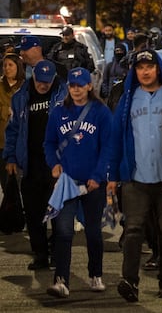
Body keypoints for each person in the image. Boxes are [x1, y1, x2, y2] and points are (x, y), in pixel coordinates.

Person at [108, 50, 162, 301]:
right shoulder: (127, 99)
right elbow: (116, 139)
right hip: (135, 177)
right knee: (132, 230)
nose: (145, 71)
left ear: (158, 69)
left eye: (149, 67)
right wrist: (112, 175)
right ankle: (130, 281)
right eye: (140, 67)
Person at [43, 67, 113, 298]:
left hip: (93, 182)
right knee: (63, 232)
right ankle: (61, 280)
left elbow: (108, 146)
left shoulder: (101, 112)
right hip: (67, 182)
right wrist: (54, 164)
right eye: (72, 86)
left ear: (89, 86)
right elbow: (49, 142)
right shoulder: (58, 112)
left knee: (93, 232)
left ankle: (95, 274)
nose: (76, 90)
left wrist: (98, 175)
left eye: (80, 85)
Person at [0, 52, 24, 187]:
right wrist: (6, 110)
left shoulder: (26, 87)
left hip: (21, 142)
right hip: (2, 142)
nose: (7, 68)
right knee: (6, 183)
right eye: (5, 65)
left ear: (18, 67)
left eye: (10, 65)